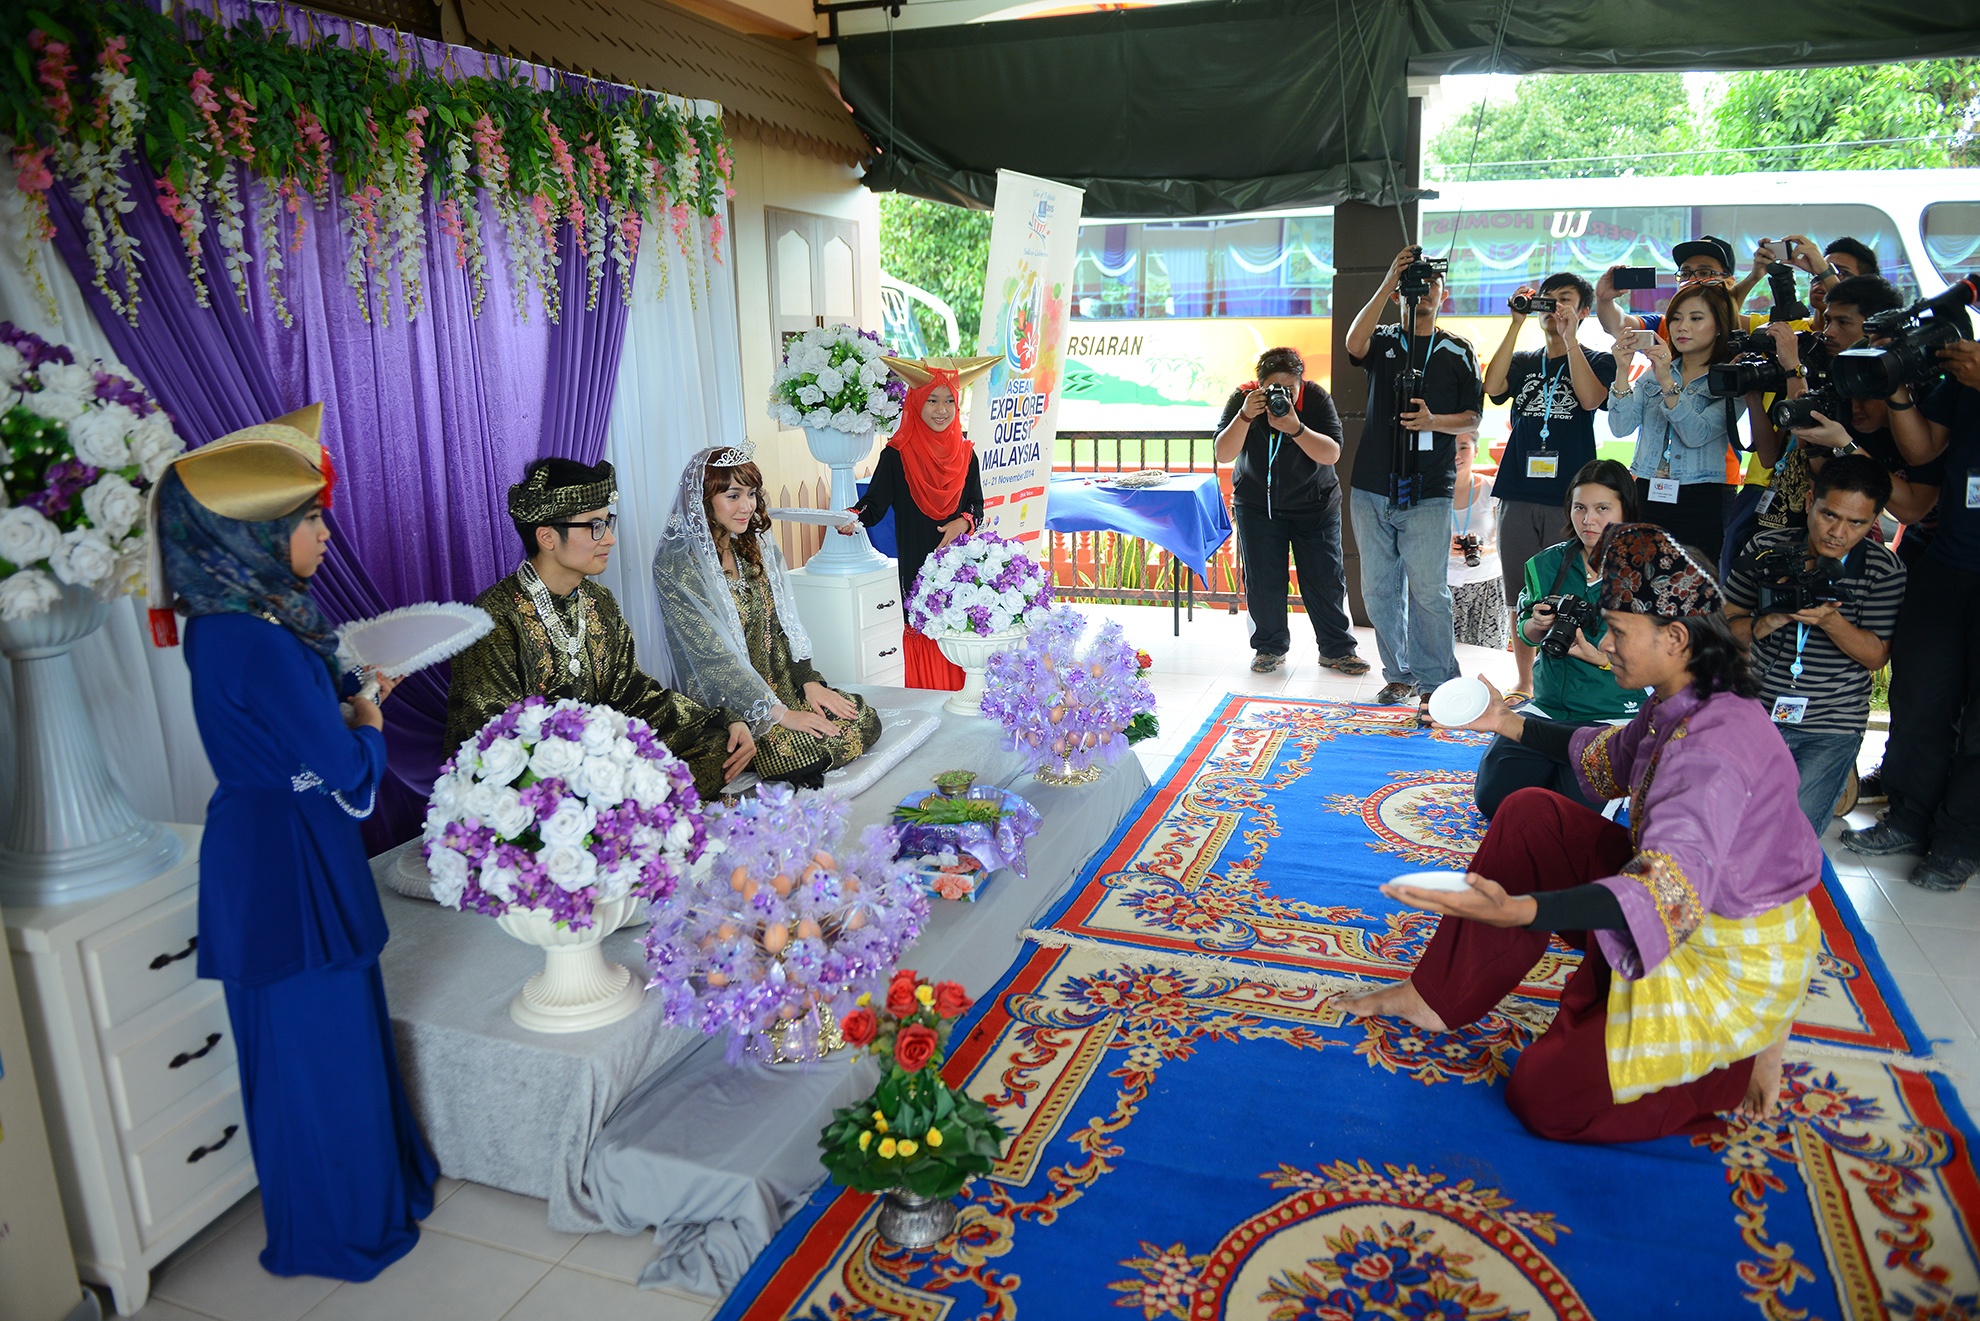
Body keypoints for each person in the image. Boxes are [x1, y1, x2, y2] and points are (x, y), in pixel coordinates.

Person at [1342, 524, 1822, 1143]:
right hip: (1672, 894)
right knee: (1531, 814)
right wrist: (1506, 722)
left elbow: (1664, 894)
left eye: (1618, 630)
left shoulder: (1712, 752)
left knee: (1545, 1099)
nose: (1605, 643)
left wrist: (1523, 910)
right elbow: (1606, 756)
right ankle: (1437, 995)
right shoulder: (1683, 694)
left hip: (1715, 945)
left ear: (1676, 637)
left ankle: (1730, 1064)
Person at [150, 405, 436, 1279]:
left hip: (270, 841)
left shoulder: (230, 619)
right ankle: (342, 1226)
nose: (324, 534)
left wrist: (350, 697)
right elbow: (345, 767)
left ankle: (367, 1196)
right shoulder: (257, 637)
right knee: (321, 1050)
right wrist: (371, 718)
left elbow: (297, 730)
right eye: (310, 519)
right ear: (258, 534)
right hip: (288, 856)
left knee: (317, 1042)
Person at [446, 457, 752, 797]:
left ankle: (629, 802)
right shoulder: (494, 616)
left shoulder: (598, 601)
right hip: (538, 778)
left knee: (720, 743)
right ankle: (632, 803)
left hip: (608, 759)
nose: (609, 539)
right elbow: (489, 733)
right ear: (547, 537)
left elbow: (633, 692)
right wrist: (589, 765)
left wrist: (719, 719)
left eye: (608, 523)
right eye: (594, 526)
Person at [654, 446, 881, 787]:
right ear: (703, 500)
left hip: (783, 686)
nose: (747, 506)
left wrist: (809, 682)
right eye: (733, 496)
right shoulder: (678, 566)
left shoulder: (750, 548)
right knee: (795, 752)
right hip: (732, 707)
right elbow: (710, 660)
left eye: (751, 494)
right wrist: (781, 715)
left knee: (862, 717)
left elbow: (782, 624)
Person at [1843, 335, 1980, 891]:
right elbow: (1923, 451)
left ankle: (1959, 842)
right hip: (1947, 563)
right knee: (1919, 696)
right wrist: (1895, 385)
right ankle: (1908, 818)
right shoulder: (1966, 374)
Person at [1725, 456, 1905, 835]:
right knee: (1729, 823)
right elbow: (1722, 629)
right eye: (1829, 515)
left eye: (1856, 523)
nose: (1837, 532)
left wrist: (1829, 620)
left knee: (1792, 834)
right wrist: (1766, 621)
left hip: (1831, 722)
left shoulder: (1883, 570)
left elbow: (1876, 656)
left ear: (1875, 521)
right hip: (1755, 709)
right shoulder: (1766, 549)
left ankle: (1838, 772)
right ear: (1810, 501)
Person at [1345, 245, 1484, 713]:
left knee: (1428, 590)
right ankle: (1399, 675)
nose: (1422, 292)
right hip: (1370, 486)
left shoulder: (1458, 349)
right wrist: (1389, 279)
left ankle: (1438, 683)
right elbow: (1353, 345)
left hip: (1429, 489)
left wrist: (1433, 421)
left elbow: (1473, 416)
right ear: (1399, 295)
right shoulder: (1384, 338)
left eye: (1431, 285)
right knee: (1378, 590)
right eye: (1413, 286)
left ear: (1443, 293)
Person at [1474, 460, 1650, 817]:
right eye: (1580, 507)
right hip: (1547, 709)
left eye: (1603, 509)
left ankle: (1616, 770)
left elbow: (1662, 660)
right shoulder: (1547, 564)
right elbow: (1526, 629)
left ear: (1626, 510)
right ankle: (1559, 771)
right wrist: (1537, 625)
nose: (1589, 520)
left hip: (1614, 715)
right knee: (1494, 800)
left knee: (1574, 817)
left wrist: (1599, 658)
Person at [1482, 271, 1617, 696]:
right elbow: (1492, 386)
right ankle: (1525, 680)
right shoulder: (1525, 360)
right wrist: (1516, 322)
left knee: (1569, 586)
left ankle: (1567, 675)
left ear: (1584, 311)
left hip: (1571, 498)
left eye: (1564, 300)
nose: (1553, 307)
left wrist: (1570, 339)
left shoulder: (1597, 359)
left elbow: (1592, 399)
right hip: (1518, 490)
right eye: (1546, 299)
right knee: (1521, 592)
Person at [843, 354, 999, 690]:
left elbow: (977, 506)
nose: (942, 410)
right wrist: (853, 517)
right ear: (916, 402)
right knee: (924, 629)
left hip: (960, 567)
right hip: (917, 566)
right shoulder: (896, 454)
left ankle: (964, 698)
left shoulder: (966, 453)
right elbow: (874, 505)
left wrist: (963, 523)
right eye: (932, 400)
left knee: (960, 630)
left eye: (949, 401)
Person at [1213, 345, 1367, 676]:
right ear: (1259, 386)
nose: (1281, 395)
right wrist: (1245, 416)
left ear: (1301, 383)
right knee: (1263, 582)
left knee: (1325, 579)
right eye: (1272, 388)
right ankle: (1269, 648)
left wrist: (1295, 428)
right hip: (1258, 506)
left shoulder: (1316, 398)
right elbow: (1223, 453)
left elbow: (1331, 453)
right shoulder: (1243, 398)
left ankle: (1337, 650)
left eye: (1290, 388)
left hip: (1315, 505)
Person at [1609, 281, 1748, 561]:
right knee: (1641, 575)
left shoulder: (1731, 378)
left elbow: (1696, 434)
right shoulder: (1654, 373)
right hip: (1647, 489)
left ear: (1719, 325)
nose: (1682, 327)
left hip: (1703, 495)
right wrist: (1622, 370)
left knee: (1697, 579)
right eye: (1676, 318)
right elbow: (1620, 427)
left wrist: (1667, 382)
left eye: (1696, 318)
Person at [1594, 235, 1737, 341]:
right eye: (1685, 274)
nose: (1692, 281)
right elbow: (1619, 326)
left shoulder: (1745, 328)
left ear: (1729, 282)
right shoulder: (1666, 327)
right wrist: (1604, 300)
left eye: (1704, 273)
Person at [1447, 431, 1507, 651]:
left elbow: (1507, 538)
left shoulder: (1494, 489)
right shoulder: (1431, 493)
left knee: (1489, 654)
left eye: (1463, 447)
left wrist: (1484, 549)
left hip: (1489, 583)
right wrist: (1444, 548)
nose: (1457, 455)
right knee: (1445, 653)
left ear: (1476, 451)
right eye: (1451, 448)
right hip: (1445, 585)